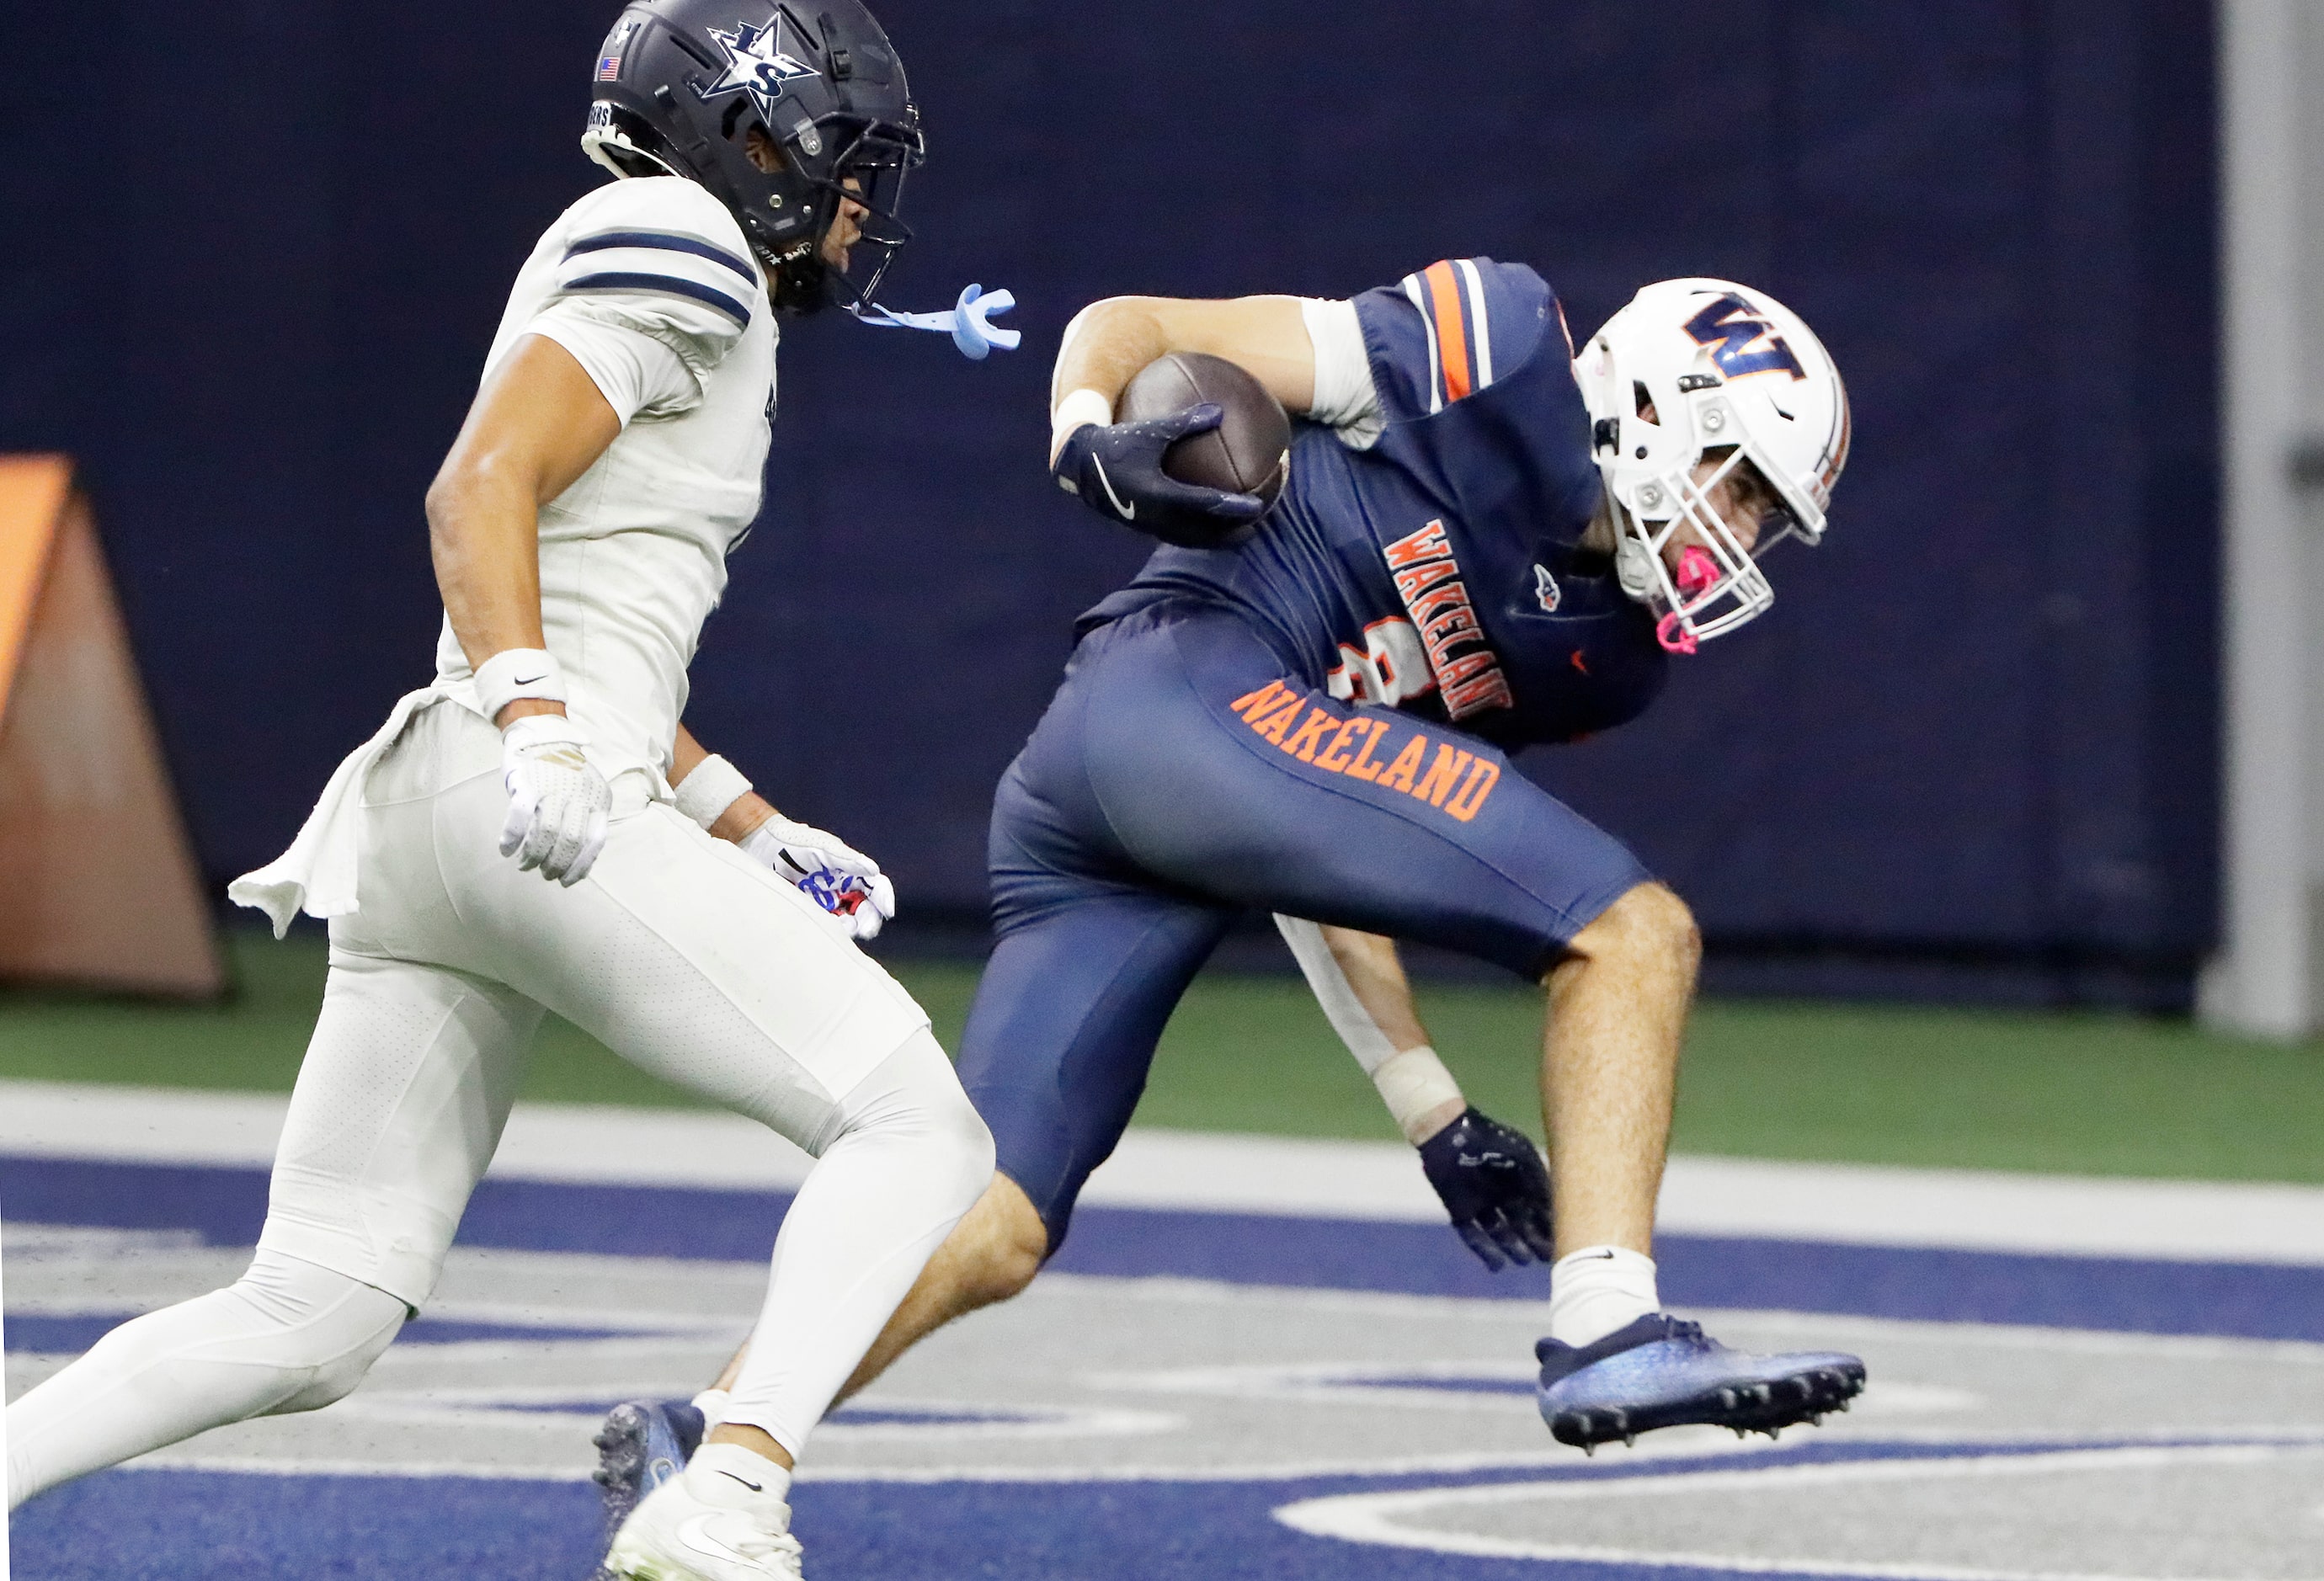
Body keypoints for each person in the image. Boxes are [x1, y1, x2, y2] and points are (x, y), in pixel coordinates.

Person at [585, 257, 1867, 1530]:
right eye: (1743, 483)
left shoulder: (1603, 660)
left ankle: (707, 1434)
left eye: (1766, 517)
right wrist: (1086, 428)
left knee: (996, 1221)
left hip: (1138, 774)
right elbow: (1129, 320)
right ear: (1657, 402)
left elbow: (1330, 825)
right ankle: (1609, 1324)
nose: (1741, 534)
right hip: (1177, 694)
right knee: (1634, 933)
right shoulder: (1499, 347)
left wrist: (1428, 1108)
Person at [3, 4, 996, 1577]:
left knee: (313, 1307)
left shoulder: (659, 252)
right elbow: (478, 486)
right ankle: (726, 1488)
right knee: (919, 1130)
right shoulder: (684, 236)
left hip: (458, 801)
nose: (860, 200)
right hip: (525, 784)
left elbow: (597, 613)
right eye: (842, 156)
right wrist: (539, 719)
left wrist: (748, 821)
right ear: (746, 131)